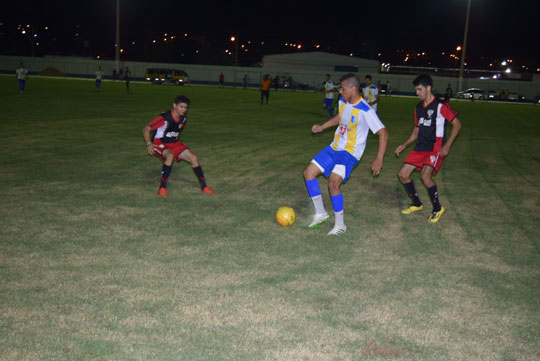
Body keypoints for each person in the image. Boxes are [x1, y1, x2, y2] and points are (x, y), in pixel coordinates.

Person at [303, 74, 388, 235]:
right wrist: (323, 126)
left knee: (333, 183)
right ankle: (321, 214)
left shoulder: (365, 109)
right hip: (334, 147)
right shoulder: (343, 101)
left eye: (342, 88)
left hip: (350, 152)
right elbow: (339, 118)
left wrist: (379, 158)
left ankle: (340, 225)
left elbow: (383, 133)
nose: (340, 91)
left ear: (353, 88)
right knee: (308, 173)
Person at [395, 74, 462, 223]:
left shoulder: (441, 106)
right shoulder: (418, 108)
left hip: (435, 148)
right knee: (403, 174)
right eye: (416, 90)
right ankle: (417, 204)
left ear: (428, 88)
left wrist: (447, 145)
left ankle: (438, 208)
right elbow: (416, 132)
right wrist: (404, 145)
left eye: (419, 89)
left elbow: (457, 124)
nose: (417, 93)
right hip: (420, 147)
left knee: (425, 176)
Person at [142, 95, 216, 198]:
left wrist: (179, 147)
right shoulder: (164, 117)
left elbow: (176, 132)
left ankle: (204, 187)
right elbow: (146, 129)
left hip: (173, 142)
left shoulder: (183, 119)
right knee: (170, 155)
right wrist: (149, 144)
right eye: (181, 107)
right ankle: (162, 188)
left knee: (193, 158)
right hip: (159, 142)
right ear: (174, 105)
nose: (184, 110)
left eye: (186, 107)